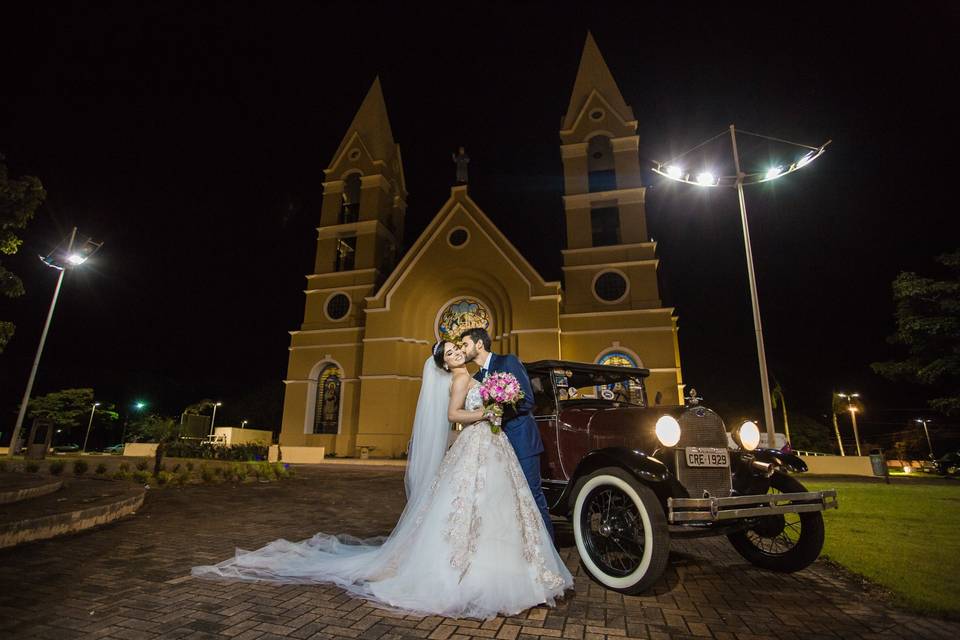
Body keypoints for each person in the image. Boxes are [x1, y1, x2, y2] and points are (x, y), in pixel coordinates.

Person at [192, 340, 572, 620]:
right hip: (478, 440)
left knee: (496, 505)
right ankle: (470, 569)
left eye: (459, 349)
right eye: (451, 353)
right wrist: (486, 413)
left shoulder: (478, 374)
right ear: (443, 363)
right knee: (469, 507)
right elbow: (453, 416)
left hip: (492, 446)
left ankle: (508, 563)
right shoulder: (459, 381)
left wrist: (493, 407)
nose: (457, 353)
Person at [459, 327, 554, 541]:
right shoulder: (476, 377)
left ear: (479, 344)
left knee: (532, 495)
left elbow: (528, 400)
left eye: (465, 345)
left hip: (521, 440)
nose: (462, 350)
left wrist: (496, 414)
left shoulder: (507, 362)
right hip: (495, 447)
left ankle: (550, 551)